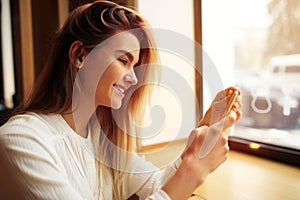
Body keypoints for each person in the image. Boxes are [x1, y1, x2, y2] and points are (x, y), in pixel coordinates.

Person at [0, 1, 242, 199]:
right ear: (80, 55)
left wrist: (205, 134)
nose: (134, 78)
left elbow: (156, 185)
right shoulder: (21, 140)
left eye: (135, 65)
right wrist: (193, 170)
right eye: (123, 61)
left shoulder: (100, 138)